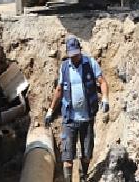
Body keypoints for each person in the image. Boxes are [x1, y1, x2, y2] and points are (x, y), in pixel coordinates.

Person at [45, 36, 109, 182]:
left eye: (76, 54)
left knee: (87, 154)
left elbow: (102, 82)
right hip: (69, 119)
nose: (74, 58)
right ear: (67, 54)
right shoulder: (64, 68)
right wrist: (50, 110)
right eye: (71, 55)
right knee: (67, 157)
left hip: (87, 118)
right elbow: (59, 90)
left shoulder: (90, 64)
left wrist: (105, 98)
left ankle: (83, 176)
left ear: (80, 51)